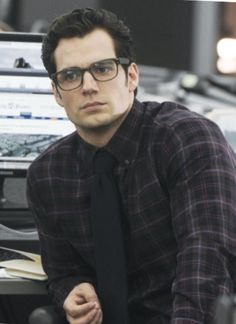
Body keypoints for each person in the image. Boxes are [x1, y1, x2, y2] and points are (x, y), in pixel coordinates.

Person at [26, 7, 236, 324]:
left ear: (132, 76)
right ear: (56, 92)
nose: (88, 86)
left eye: (103, 68)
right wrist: (70, 288)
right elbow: (62, 271)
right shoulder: (47, 175)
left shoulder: (186, 139)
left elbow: (206, 266)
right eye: (70, 75)